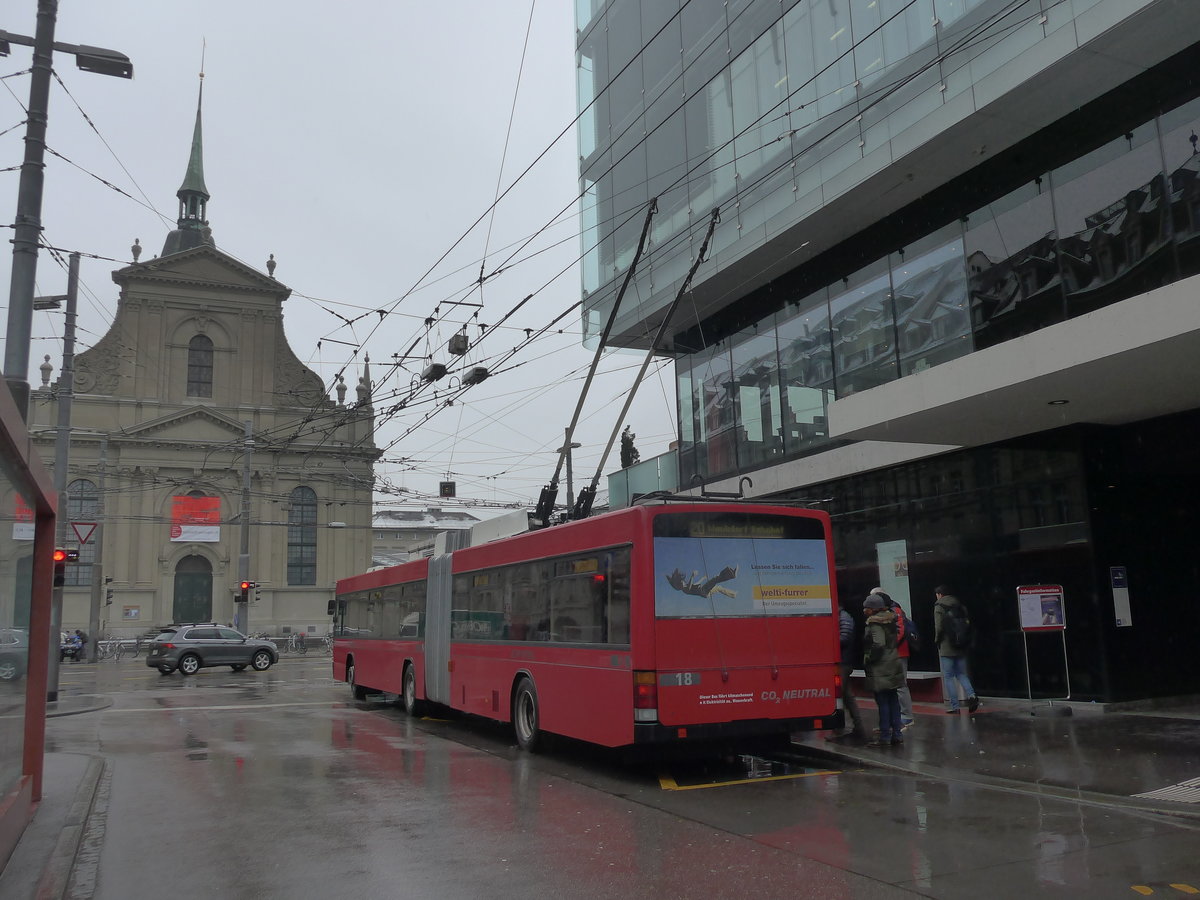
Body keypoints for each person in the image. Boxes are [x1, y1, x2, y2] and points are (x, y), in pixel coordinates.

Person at [862, 594, 904, 746]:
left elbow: (878, 644)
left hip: (881, 666)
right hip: (893, 662)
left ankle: (885, 736)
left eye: (866, 608)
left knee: (883, 701)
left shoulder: (875, 623)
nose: (864, 610)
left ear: (872, 609)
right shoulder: (890, 619)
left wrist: (869, 658)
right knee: (893, 700)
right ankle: (897, 734)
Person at [872, 588, 914, 731]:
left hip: (898, 653)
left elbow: (899, 632)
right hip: (892, 654)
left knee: (900, 685)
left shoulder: (895, 611)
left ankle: (907, 716)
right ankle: (894, 718)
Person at [933, 585, 979, 713]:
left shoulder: (939, 606)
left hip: (946, 646)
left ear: (940, 594)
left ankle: (955, 707)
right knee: (961, 673)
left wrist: (937, 641)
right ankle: (972, 695)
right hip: (961, 645)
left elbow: (938, 627)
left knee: (948, 677)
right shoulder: (960, 605)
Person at [829, 601, 867, 743]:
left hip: (843, 662)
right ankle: (858, 728)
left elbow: (845, 638)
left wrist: (827, 641)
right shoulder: (841, 616)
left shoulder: (843, 617)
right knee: (846, 696)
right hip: (842, 662)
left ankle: (840, 728)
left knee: (840, 696)